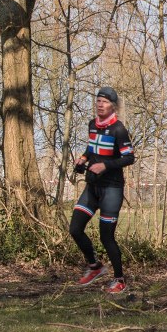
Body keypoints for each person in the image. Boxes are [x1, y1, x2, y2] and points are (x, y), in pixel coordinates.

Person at [70, 86, 135, 294]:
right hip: (92, 187)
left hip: (111, 190)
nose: (100, 104)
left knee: (106, 237)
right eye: (98, 101)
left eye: (105, 102)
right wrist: (83, 159)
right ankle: (95, 266)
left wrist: (105, 166)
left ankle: (119, 280)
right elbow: (92, 147)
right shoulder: (92, 125)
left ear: (113, 106)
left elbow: (129, 158)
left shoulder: (119, 129)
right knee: (75, 229)